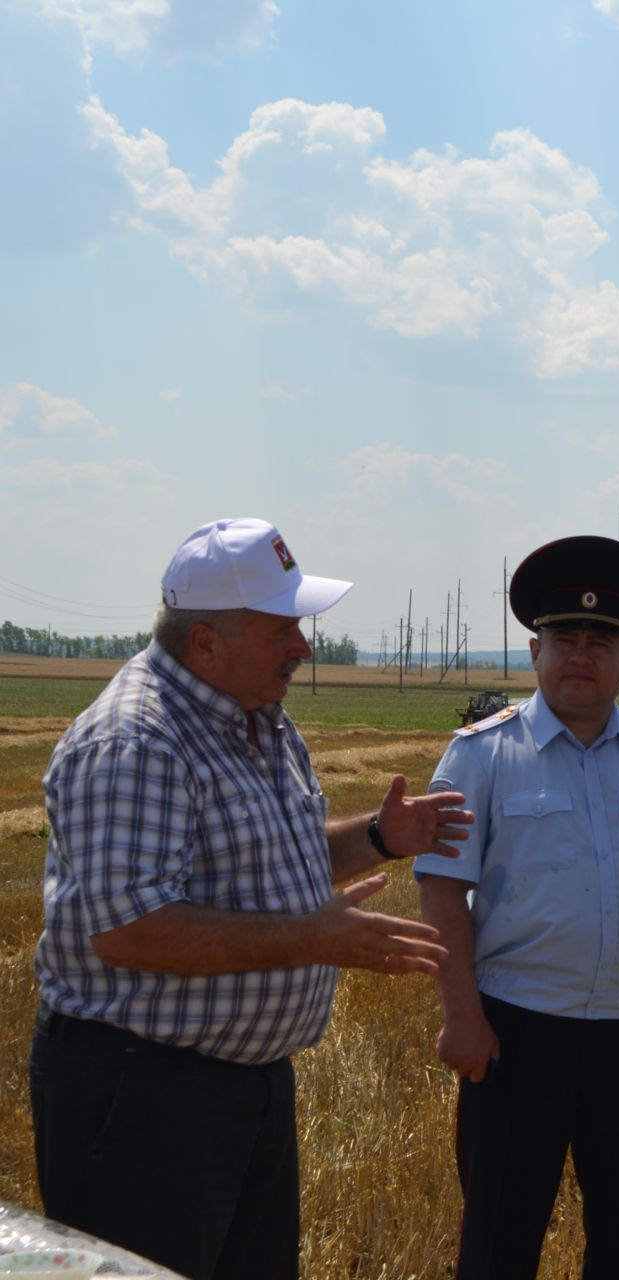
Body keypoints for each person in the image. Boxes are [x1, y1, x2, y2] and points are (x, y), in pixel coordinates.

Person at [30, 517, 470, 1280]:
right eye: (283, 628)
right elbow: (132, 930)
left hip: (241, 1095)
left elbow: (273, 864)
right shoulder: (137, 741)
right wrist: (312, 939)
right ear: (205, 643)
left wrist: (378, 836)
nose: (303, 646)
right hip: (142, 1099)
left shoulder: (258, 718)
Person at [416, 534, 619, 1280]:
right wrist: (461, 1013)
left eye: (600, 639)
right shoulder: (481, 755)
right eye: (564, 637)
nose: (579, 653)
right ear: (534, 652)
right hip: (516, 1033)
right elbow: (440, 887)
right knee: (499, 1236)